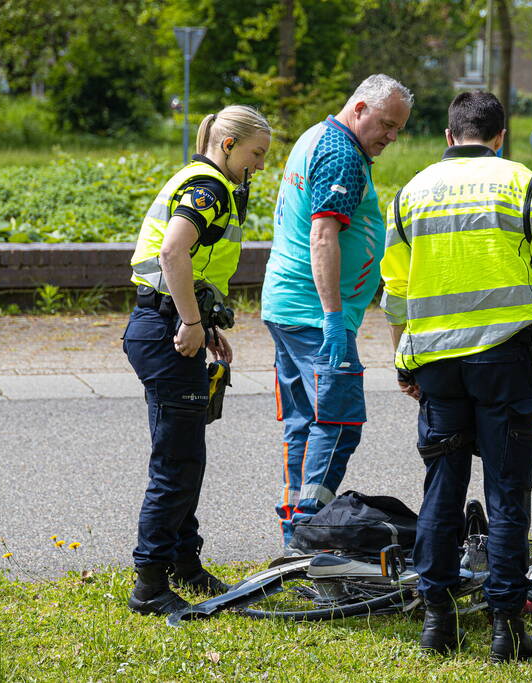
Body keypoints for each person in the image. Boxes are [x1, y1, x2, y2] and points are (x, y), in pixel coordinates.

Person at [380, 91, 532, 662]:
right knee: (507, 492)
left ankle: (437, 622)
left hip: (437, 364)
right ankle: (506, 631)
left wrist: (405, 360)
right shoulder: (523, 184)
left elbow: (395, 290)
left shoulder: (410, 193)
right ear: (499, 138)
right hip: (505, 363)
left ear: (449, 136)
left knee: (442, 491)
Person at [124, 105, 272, 615]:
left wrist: (203, 325)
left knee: (185, 456)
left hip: (166, 325)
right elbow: (172, 253)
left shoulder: (211, 183)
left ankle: (184, 565)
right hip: (165, 328)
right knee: (177, 463)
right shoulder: (207, 187)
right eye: (256, 154)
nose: (260, 166)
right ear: (228, 144)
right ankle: (149, 585)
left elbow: (190, 264)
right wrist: (189, 323)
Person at [261, 74, 413, 550]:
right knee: (339, 422)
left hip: (286, 305)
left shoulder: (315, 136)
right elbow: (323, 234)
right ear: (360, 108)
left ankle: (294, 532)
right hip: (315, 315)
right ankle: (311, 531)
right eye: (386, 124)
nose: (390, 136)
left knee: (304, 422)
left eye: (398, 129)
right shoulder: (343, 154)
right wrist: (332, 315)